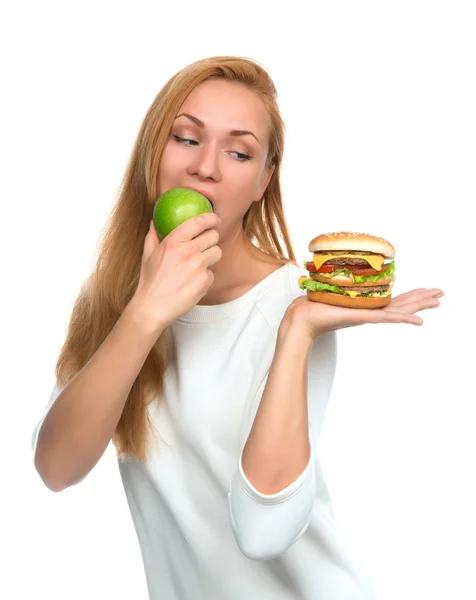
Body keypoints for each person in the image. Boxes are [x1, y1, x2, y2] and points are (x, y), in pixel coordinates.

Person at [32, 56, 443, 600]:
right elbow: (57, 468)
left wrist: (298, 333)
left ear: (262, 181)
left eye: (238, 151)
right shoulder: (109, 297)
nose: (206, 167)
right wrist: (145, 312)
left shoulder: (292, 306)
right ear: (152, 154)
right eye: (185, 138)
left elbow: (263, 532)